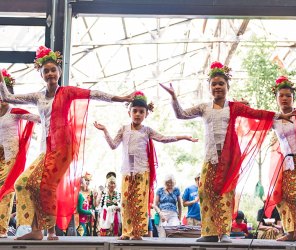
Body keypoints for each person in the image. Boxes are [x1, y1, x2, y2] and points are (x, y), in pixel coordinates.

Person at [0, 45, 134, 241]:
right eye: (46, 71)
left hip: (63, 148)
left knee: (46, 185)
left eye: (53, 69)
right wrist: (1, 78)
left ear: (59, 72)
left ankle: (51, 231)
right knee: (22, 183)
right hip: (45, 150)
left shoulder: (67, 92)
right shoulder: (37, 96)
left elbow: (94, 93)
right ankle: (36, 230)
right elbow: (8, 97)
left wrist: (120, 98)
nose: (50, 73)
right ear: (42, 75)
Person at [160, 61, 295, 243]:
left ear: (227, 87)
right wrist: (173, 97)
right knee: (205, 193)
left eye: (221, 84)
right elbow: (181, 114)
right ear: (209, 88)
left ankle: (224, 233)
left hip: (229, 159)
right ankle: (208, 233)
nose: (217, 87)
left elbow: (256, 113)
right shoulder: (204, 108)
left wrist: (279, 116)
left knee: (225, 195)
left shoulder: (233, 107)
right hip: (210, 158)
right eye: (214, 84)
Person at [94, 91, 197, 240]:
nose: (137, 114)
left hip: (142, 173)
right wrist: (105, 131)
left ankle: (137, 232)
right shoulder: (124, 129)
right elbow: (113, 145)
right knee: (126, 203)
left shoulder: (146, 130)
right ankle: (126, 232)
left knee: (140, 204)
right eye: (134, 111)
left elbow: (164, 138)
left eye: (141, 112)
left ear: (146, 114)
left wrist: (183, 137)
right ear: (129, 112)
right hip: (127, 172)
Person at [0, 69, 40, 238]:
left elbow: (38, 118)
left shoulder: (14, 112)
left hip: (11, 158)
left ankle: (1, 228)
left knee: (5, 190)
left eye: (3, 97)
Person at [265, 75, 296, 241]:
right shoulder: (274, 119)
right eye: (281, 95)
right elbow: (256, 121)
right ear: (276, 98)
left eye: (288, 95)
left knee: (295, 195)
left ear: (294, 98)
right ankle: (291, 231)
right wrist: (244, 107)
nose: (285, 98)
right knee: (282, 196)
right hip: (285, 162)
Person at [98, 172, 121, 236]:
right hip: (105, 219)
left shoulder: (119, 194)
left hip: (116, 219)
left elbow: (122, 206)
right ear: (107, 184)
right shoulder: (103, 194)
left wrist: (118, 208)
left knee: (115, 237)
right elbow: (97, 205)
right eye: (111, 183)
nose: (112, 185)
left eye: (114, 183)